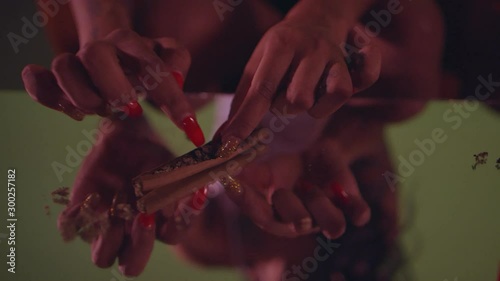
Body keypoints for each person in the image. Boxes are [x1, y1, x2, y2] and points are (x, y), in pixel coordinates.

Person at [21, 0, 444, 279]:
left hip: (218, 43)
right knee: (409, 75)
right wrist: (324, 17)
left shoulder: (217, 245)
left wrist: (122, 120)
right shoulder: (361, 213)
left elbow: (164, 202)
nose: (268, 267)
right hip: (353, 49)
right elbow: (383, 109)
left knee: (176, 48)